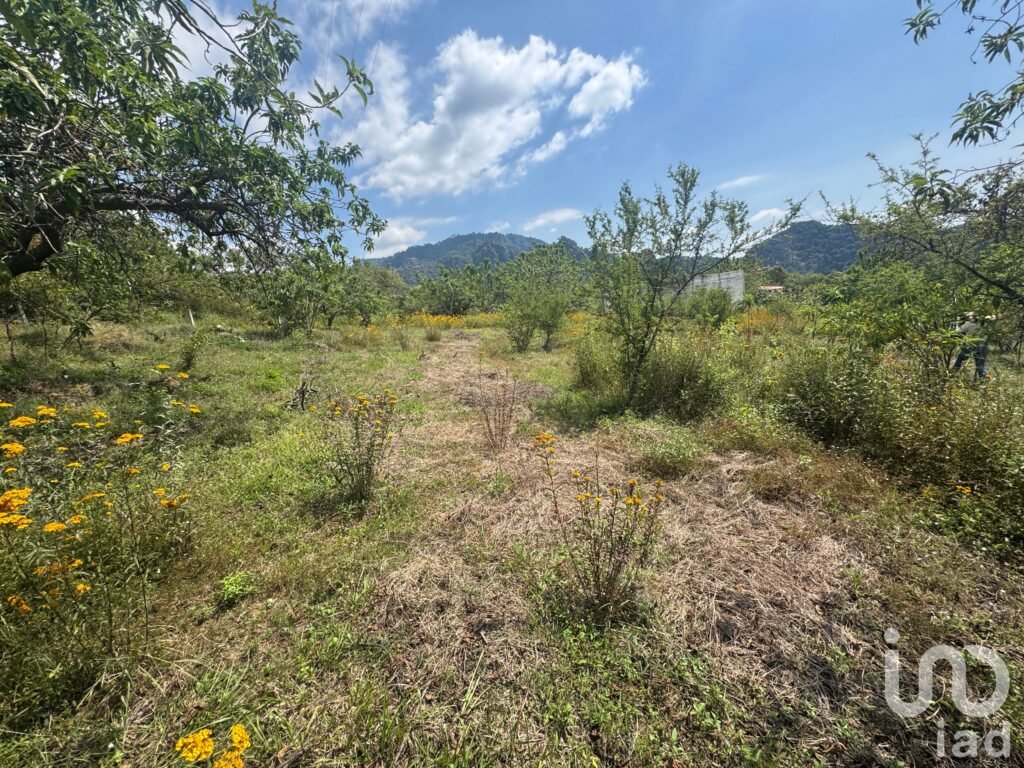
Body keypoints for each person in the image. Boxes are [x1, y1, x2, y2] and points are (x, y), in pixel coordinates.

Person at [951, 312, 992, 379]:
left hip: (969, 345)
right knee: (981, 365)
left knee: (960, 360)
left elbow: (958, 333)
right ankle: (984, 378)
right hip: (982, 346)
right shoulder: (985, 327)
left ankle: (952, 374)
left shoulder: (968, 324)